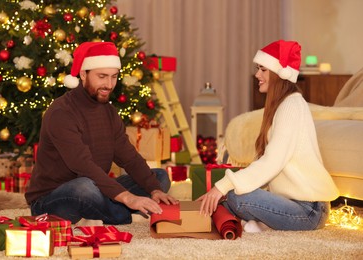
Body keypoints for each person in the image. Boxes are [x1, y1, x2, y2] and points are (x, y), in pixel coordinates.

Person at [25, 42, 178, 225]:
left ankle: (104, 208)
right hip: (53, 197)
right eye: (102, 76)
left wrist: (154, 189)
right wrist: (128, 198)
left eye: (114, 77)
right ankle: (121, 213)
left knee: (159, 177)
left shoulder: (109, 112)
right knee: (84, 187)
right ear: (83, 74)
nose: (109, 84)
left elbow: (128, 157)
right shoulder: (61, 112)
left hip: (97, 187)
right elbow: (84, 166)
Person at [198, 40, 339, 231]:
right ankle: (264, 224)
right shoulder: (280, 105)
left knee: (236, 196)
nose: (257, 74)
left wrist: (221, 187)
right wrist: (221, 190)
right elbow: (263, 164)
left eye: (262, 69)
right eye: (258, 69)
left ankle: (262, 223)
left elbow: (272, 162)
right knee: (234, 192)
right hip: (289, 202)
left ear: (279, 74)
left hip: (309, 210)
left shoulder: (292, 105)